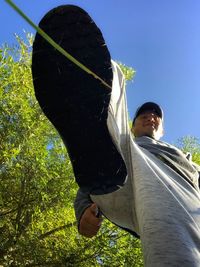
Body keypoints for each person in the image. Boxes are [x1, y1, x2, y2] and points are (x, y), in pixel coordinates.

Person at [31, 4, 200, 266]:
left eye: (156, 115)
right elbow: (87, 193)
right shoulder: (128, 140)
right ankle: (93, 99)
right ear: (133, 125)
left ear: (162, 129)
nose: (150, 116)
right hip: (128, 180)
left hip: (180, 197)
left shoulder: (182, 156)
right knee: (114, 78)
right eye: (144, 114)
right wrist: (84, 213)